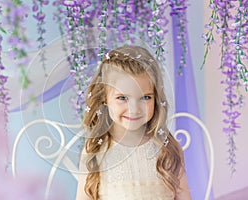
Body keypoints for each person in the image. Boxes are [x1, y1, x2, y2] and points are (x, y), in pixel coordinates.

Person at [76, 46, 191, 200]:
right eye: (122, 98)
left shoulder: (167, 149)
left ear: (156, 99)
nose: (134, 109)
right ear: (104, 98)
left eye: (145, 97)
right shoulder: (95, 150)